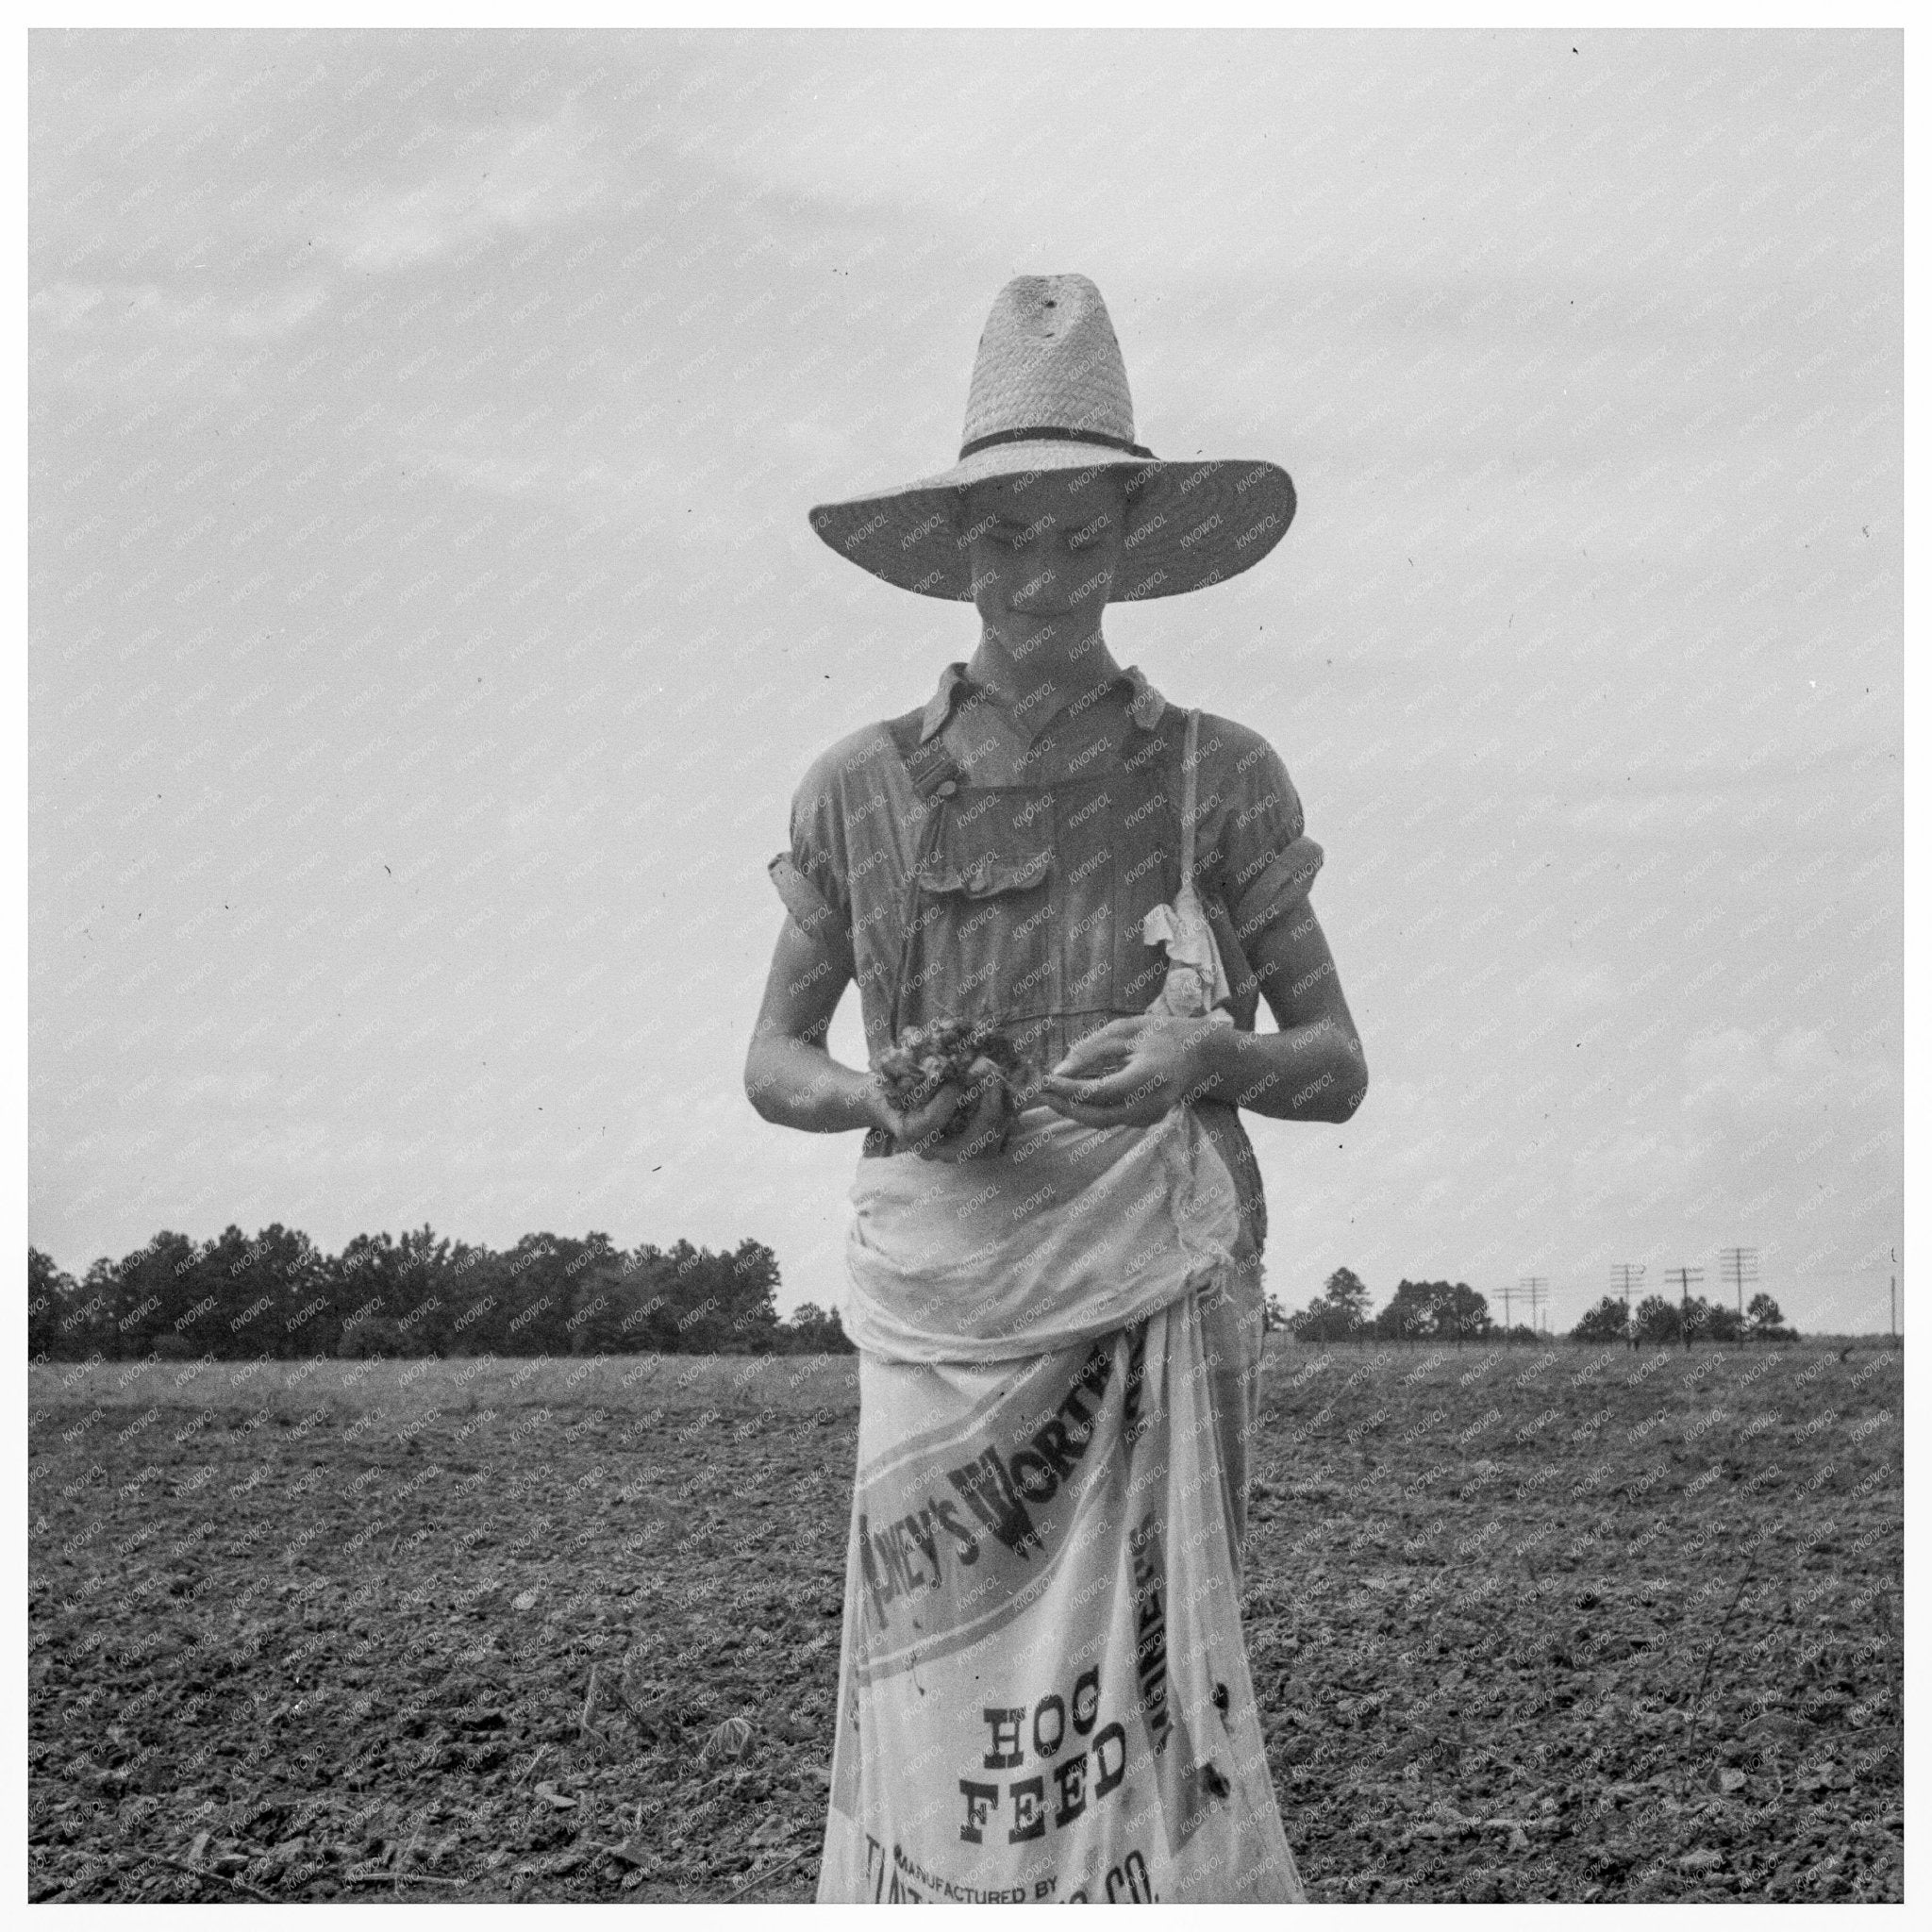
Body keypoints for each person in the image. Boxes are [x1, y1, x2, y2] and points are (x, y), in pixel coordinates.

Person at [745, 275, 1365, 1904]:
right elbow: (774, 1060)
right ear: (960, 557)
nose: (1039, 576)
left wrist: (1204, 1055)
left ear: (1127, 553)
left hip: (1155, 1288)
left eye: (1075, 538)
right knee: (931, 1685)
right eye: (1006, 540)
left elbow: (1339, 1063)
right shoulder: (859, 788)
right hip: (945, 1310)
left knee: (1155, 1696)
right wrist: (879, 1103)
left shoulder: (1215, 774)